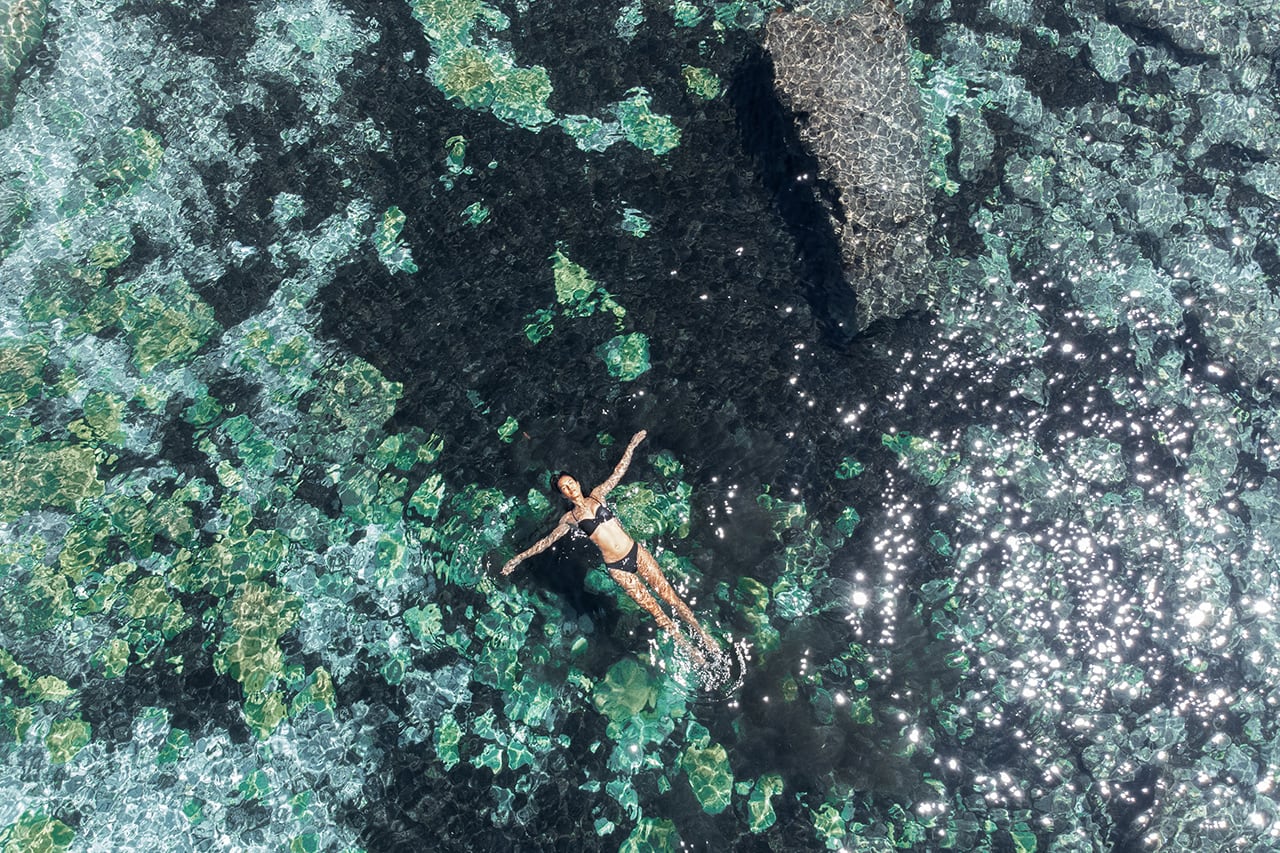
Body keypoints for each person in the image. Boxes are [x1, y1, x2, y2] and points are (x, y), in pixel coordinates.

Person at [500, 430, 720, 663]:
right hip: (618, 568)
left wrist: (632, 445)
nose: (570, 488)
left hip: (636, 553)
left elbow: (618, 472)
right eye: (564, 488)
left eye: (570, 483)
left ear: (576, 482)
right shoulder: (569, 519)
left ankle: (705, 637)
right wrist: (518, 559)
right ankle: (691, 651)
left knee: (671, 598)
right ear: (563, 494)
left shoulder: (597, 495)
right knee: (657, 612)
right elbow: (545, 542)